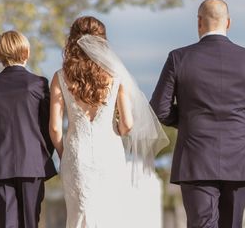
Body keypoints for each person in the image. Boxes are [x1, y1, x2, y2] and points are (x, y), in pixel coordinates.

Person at [151, 0, 245, 228]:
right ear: (228, 23)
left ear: (199, 22)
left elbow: (159, 109)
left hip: (196, 158)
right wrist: (238, 123)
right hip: (238, 159)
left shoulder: (178, 58)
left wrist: (188, 120)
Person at [49, 16, 168, 228]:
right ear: (102, 41)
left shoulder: (60, 77)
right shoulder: (115, 76)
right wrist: (117, 126)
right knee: (109, 214)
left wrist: (63, 153)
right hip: (109, 153)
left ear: (72, 41)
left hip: (76, 153)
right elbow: (127, 125)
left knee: (79, 215)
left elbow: (55, 128)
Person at [0, 30, 57, 228]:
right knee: (30, 224)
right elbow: (49, 127)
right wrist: (41, 158)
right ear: (26, 53)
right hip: (33, 165)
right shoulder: (39, 84)